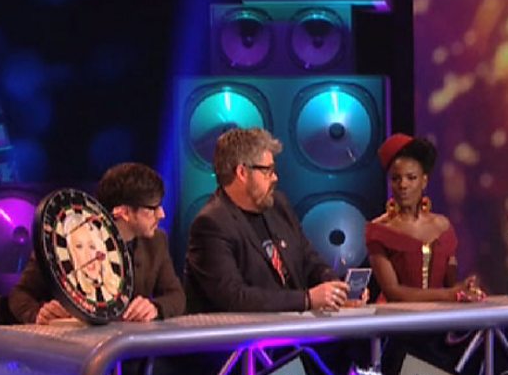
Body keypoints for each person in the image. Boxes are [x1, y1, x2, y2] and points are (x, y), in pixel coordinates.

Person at [184, 127, 350, 313]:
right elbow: (234, 297)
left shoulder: (278, 205)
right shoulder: (211, 225)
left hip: (294, 325)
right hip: (246, 330)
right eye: (267, 171)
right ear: (242, 172)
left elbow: (308, 259)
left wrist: (334, 287)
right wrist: (307, 299)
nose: (275, 178)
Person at [8, 162, 185, 323]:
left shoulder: (156, 241)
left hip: (131, 344)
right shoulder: (66, 238)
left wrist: (155, 307)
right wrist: (38, 314)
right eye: (152, 209)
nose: (161, 214)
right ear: (124, 212)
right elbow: (19, 294)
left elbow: (176, 296)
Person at [365, 133, 484, 302]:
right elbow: (392, 291)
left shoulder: (443, 227)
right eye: (396, 178)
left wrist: (466, 288)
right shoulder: (379, 231)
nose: (403, 185)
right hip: (395, 315)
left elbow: (451, 284)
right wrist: (450, 294)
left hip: (439, 315)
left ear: (424, 181)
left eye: (411, 178)